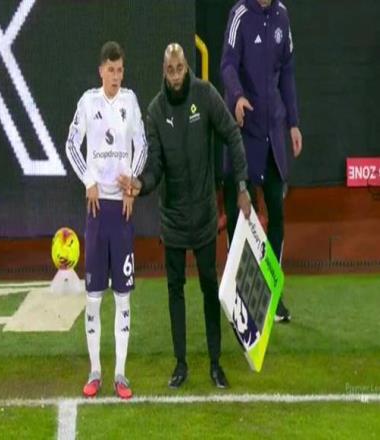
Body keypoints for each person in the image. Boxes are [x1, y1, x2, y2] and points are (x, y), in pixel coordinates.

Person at [119, 43, 250, 389]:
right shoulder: (155, 111)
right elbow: (155, 167)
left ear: (186, 67)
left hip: (205, 217)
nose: (176, 75)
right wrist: (140, 185)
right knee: (174, 291)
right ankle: (180, 365)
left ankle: (216, 364)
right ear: (164, 71)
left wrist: (241, 185)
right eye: (170, 70)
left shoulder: (205, 95)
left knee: (210, 288)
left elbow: (232, 134)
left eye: (180, 68)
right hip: (174, 221)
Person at [65, 41, 147, 399]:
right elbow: (71, 144)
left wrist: (131, 185)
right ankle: (95, 370)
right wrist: (89, 181)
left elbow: (142, 146)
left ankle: (121, 374)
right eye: (111, 70)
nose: (116, 76)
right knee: (94, 296)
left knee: (123, 296)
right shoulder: (88, 102)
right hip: (97, 212)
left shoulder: (131, 101)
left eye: (120, 70)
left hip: (122, 212)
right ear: (101, 71)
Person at [221, 0, 303, 322]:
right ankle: (238, 295)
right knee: (239, 215)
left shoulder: (282, 15)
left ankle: (271, 294)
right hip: (244, 131)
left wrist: (293, 122)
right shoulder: (239, 15)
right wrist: (237, 95)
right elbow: (227, 64)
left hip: (273, 133)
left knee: (277, 215)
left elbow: (288, 72)